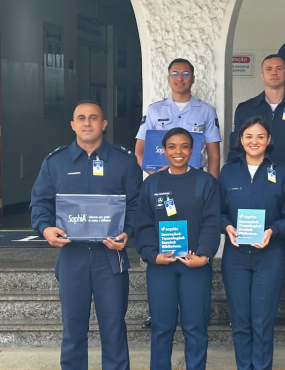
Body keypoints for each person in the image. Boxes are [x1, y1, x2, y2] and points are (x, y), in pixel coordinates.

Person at [30, 100, 141, 370]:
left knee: (114, 327)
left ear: (104, 124)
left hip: (110, 257)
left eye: (93, 118)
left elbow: (138, 205)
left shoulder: (123, 161)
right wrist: (46, 229)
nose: (87, 122)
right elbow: (39, 203)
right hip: (72, 257)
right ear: (72, 125)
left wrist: (127, 233)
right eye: (81, 118)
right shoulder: (55, 162)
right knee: (73, 328)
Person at [230, 54, 285, 326]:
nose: (274, 73)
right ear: (262, 74)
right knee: (250, 246)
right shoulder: (246, 108)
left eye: (279, 68)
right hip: (252, 184)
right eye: (269, 68)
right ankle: (243, 313)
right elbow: (236, 150)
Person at [135, 127, 221, 370]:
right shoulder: (152, 184)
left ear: (193, 150)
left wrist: (204, 255)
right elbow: (143, 224)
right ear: (164, 151)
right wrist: (152, 254)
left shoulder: (205, 182)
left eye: (184, 146)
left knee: (195, 326)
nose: (178, 151)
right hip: (161, 267)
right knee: (162, 327)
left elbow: (212, 222)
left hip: (195, 266)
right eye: (172, 147)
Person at [219, 117, 285, 370]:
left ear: (269, 140)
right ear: (240, 140)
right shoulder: (228, 172)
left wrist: (273, 230)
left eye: (260, 136)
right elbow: (217, 212)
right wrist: (226, 226)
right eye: (249, 136)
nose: (255, 141)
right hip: (236, 256)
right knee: (240, 321)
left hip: (270, 256)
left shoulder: (282, 172)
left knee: (263, 322)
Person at [135, 58, 222, 178]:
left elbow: (214, 155)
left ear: (193, 79)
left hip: (196, 177)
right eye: (174, 74)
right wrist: (156, 176)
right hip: (162, 177)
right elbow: (139, 151)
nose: (180, 78)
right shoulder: (154, 110)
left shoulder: (207, 111)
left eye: (185, 74)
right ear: (168, 78)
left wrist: (212, 185)